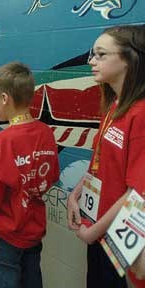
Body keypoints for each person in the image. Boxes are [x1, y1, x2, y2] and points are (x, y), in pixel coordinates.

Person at [0, 62, 60, 288]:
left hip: (4, 233)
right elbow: (49, 177)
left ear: (5, 98)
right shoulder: (45, 132)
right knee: (31, 279)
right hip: (33, 227)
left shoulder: (3, 140)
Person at [66, 25, 145, 288]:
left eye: (100, 54)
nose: (91, 61)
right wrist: (75, 193)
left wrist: (93, 232)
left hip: (115, 233)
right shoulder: (114, 104)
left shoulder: (140, 114)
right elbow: (99, 161)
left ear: (128, 60)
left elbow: (137, 192)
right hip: (98, 225)